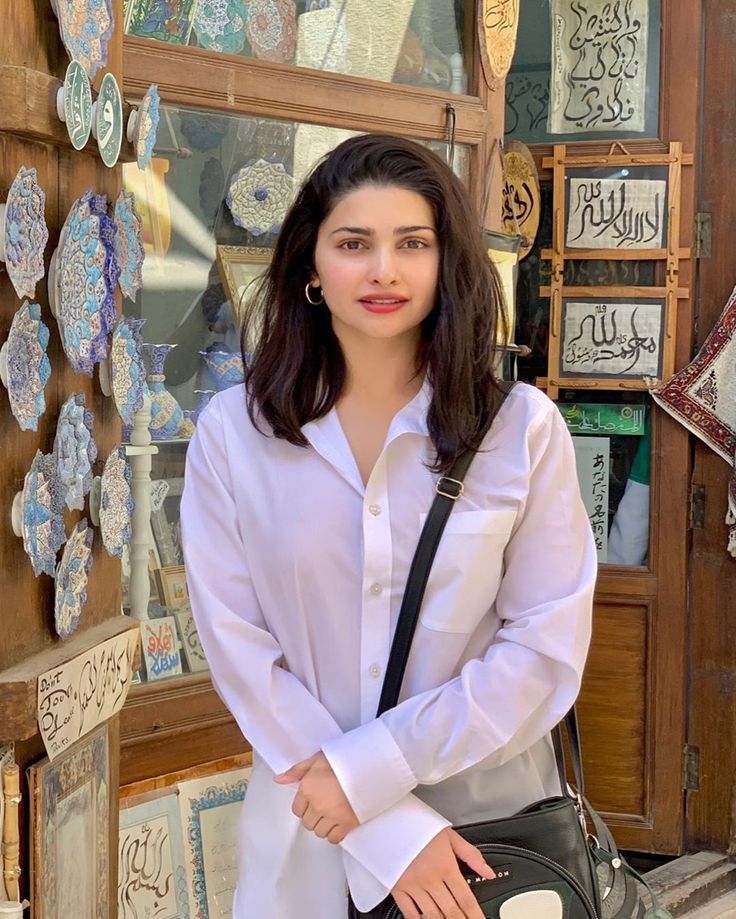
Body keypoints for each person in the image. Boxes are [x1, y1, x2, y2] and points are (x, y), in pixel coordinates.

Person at [180, 133, 597, 919]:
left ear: (447, 264)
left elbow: (541, 652)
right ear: (311, 265)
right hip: (305, 852)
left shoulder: (520, 432)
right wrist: (389, 828)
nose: (383, 270)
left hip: (487, 844)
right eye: (353, 243)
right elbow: (242, 655)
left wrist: (373, 772)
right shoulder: (236, 435)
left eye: (412, 243)